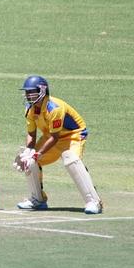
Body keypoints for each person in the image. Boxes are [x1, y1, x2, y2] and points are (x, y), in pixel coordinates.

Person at [14, 75, 102, 214]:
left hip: (73, 135)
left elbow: (55, 138)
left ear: (42, 91)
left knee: (70, 160)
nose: (28, 95)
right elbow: (31, 133)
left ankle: (94, 202)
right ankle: (38, 200)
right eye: (27, 92)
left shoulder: (54, 108)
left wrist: (38, 154)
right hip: (51, 136)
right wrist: (29, 152)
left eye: (32, 92)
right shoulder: (29, 108)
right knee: (29, 161)